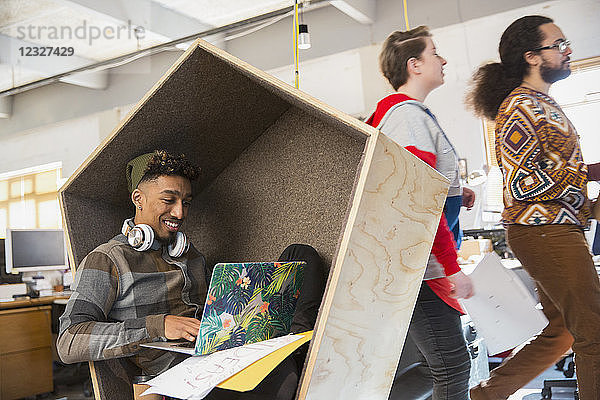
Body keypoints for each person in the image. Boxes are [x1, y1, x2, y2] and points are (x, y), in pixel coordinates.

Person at [57, 150, 326, 400]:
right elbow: (69, 341)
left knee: (301, 254)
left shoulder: (190, 254)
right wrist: (158, 326)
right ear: (138, 198)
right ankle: (294, 353)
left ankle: (292, 345)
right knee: (284, 379)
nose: (180, 213)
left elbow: (216, 310)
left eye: (186, 202)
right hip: (180, 379)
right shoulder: (108, 259)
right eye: (168, 200)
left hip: (222, 354)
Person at [466, 15, 600, 400]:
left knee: (563, 333)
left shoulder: (542, 103)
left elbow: (557, 173)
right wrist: (585, 178)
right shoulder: (519, 107)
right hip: (544, 231)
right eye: (558, 44)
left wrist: (587, 177)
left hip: (554, 228)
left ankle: (487, 394)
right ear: (532, 57)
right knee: (594, 333)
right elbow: (526, 183)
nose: (568, 50)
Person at [367, 26, 475, 400]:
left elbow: (421, 187)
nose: (442, 60)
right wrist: (451, 267)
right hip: (423, 266)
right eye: (435, 53)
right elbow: (420, 205)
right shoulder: (409, 119)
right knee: (453, 367)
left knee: (438, 367)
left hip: (417, 264)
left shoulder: (397, 115)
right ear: (414, 65)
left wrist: (460, 194)